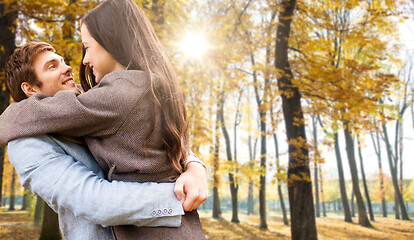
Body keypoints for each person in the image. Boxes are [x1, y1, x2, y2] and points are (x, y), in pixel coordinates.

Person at [0, 0, 206, 239]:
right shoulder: (26, 143)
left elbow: (162, 137)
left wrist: (194, 167)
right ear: (30, 89)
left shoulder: (101, 99)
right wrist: (178, 197)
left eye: (64, 59)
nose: (71, 66)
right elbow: (96, 201)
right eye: (52, 66)